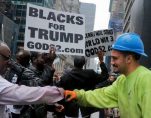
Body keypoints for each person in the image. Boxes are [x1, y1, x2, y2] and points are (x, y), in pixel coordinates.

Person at [64, 33, 151, 118]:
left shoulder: (147, 79)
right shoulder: (121, 80)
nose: (111, 62)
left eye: (115, 58)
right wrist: (78, 95)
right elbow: (102, 95)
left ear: (129, 59)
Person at [0, 41, 64, 118]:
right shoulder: (26, 72)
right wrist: (49, 64)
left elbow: (42, 94)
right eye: (42, 56)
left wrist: (53, 106)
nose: (45, 58)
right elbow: (40, 89)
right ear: (34, 59)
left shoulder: (43, 71)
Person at [56, 51, 109, 118]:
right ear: (84, 63)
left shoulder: (65, 77)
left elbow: (58, 91)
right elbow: (105, 76)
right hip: (86, 108)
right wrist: (101, 60)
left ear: (74, 63)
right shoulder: (90, 74)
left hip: (70, 110)